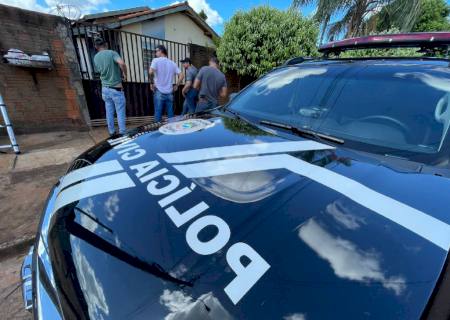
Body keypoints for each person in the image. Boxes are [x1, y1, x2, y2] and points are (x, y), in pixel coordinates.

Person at [93, 37, 128, 136]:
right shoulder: (112, 53)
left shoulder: (95, 57)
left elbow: (99, 70)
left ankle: (111, 131)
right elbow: (122, 63)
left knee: (109, 112)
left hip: (104, 88)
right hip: (116, 88)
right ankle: (122, 132)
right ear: (106, 44)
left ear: (96, 46)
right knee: (120, 111)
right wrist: (125, 74)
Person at [149, 45, 184, 122]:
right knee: (170, 115)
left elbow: (150, 72)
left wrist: (151, 83)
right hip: (169, 92)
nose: (155, 53)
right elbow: (181, 75)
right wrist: (177, 85)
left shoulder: (155, 60)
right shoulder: (172, 63)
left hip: (159, 91)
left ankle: (158, 132)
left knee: (158, 114)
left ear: (161, 51)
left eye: (156, 51)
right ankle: (171, 131)